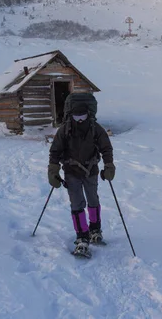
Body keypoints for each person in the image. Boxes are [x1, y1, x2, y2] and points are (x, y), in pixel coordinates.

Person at [47, 103, 115, 256]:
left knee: (93, 199)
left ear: (88, 115)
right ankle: (82, 237)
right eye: (76, 117)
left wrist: (109, 165)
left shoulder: (95, 128)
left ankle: (95, 229)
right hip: (71, 172)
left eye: (82, 117)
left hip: (91, 170)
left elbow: (106, 148)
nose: (79, 120)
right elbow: (55, 151)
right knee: (77, 203)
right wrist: (53, 170)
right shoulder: (64, 130)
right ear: (71, 116)